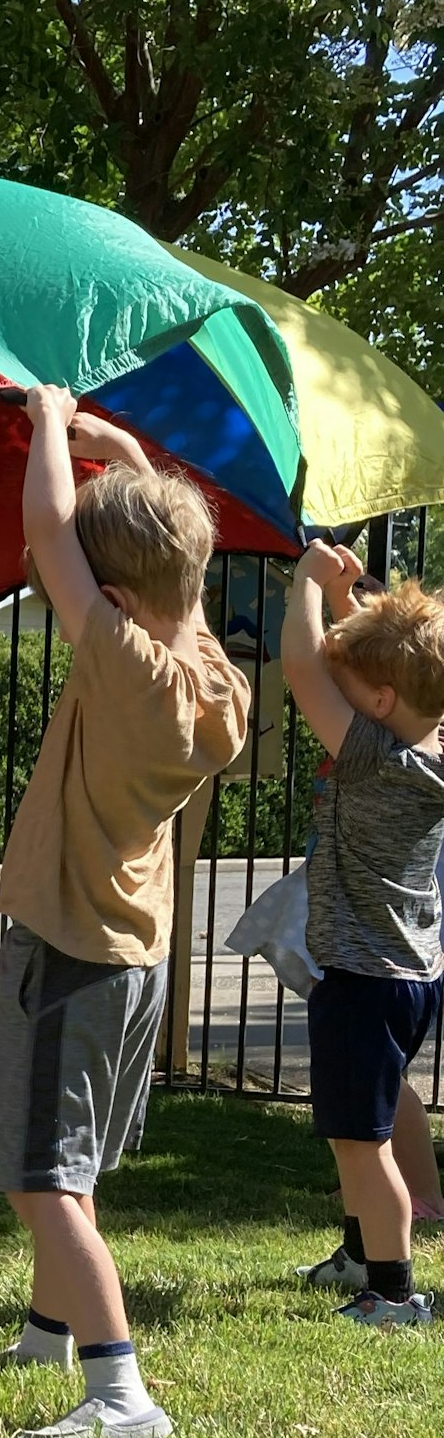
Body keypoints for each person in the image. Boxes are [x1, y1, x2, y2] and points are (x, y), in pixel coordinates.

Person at [0, 386, 249, 1438]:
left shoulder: (125, 665)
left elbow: (48, 529)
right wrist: (127, 454)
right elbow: (163, 579)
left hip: (68, 944)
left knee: (41, 1176)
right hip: (130, 951)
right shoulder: (212, 686)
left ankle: (118, 1392)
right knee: (77, 1157)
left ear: (109, 599)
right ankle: (52, 1326)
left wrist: (51, 420)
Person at [279, 541, 444, 1326]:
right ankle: (358, 1251)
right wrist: (359, 605)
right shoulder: (427, 743)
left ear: (377, 702)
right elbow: (363, 668)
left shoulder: (376, 757)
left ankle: (393, 1291)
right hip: (406, 976)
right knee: (357, 1124)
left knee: (362, 1141)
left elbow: (305, 667)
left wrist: (311, 583)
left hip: (366, 979)